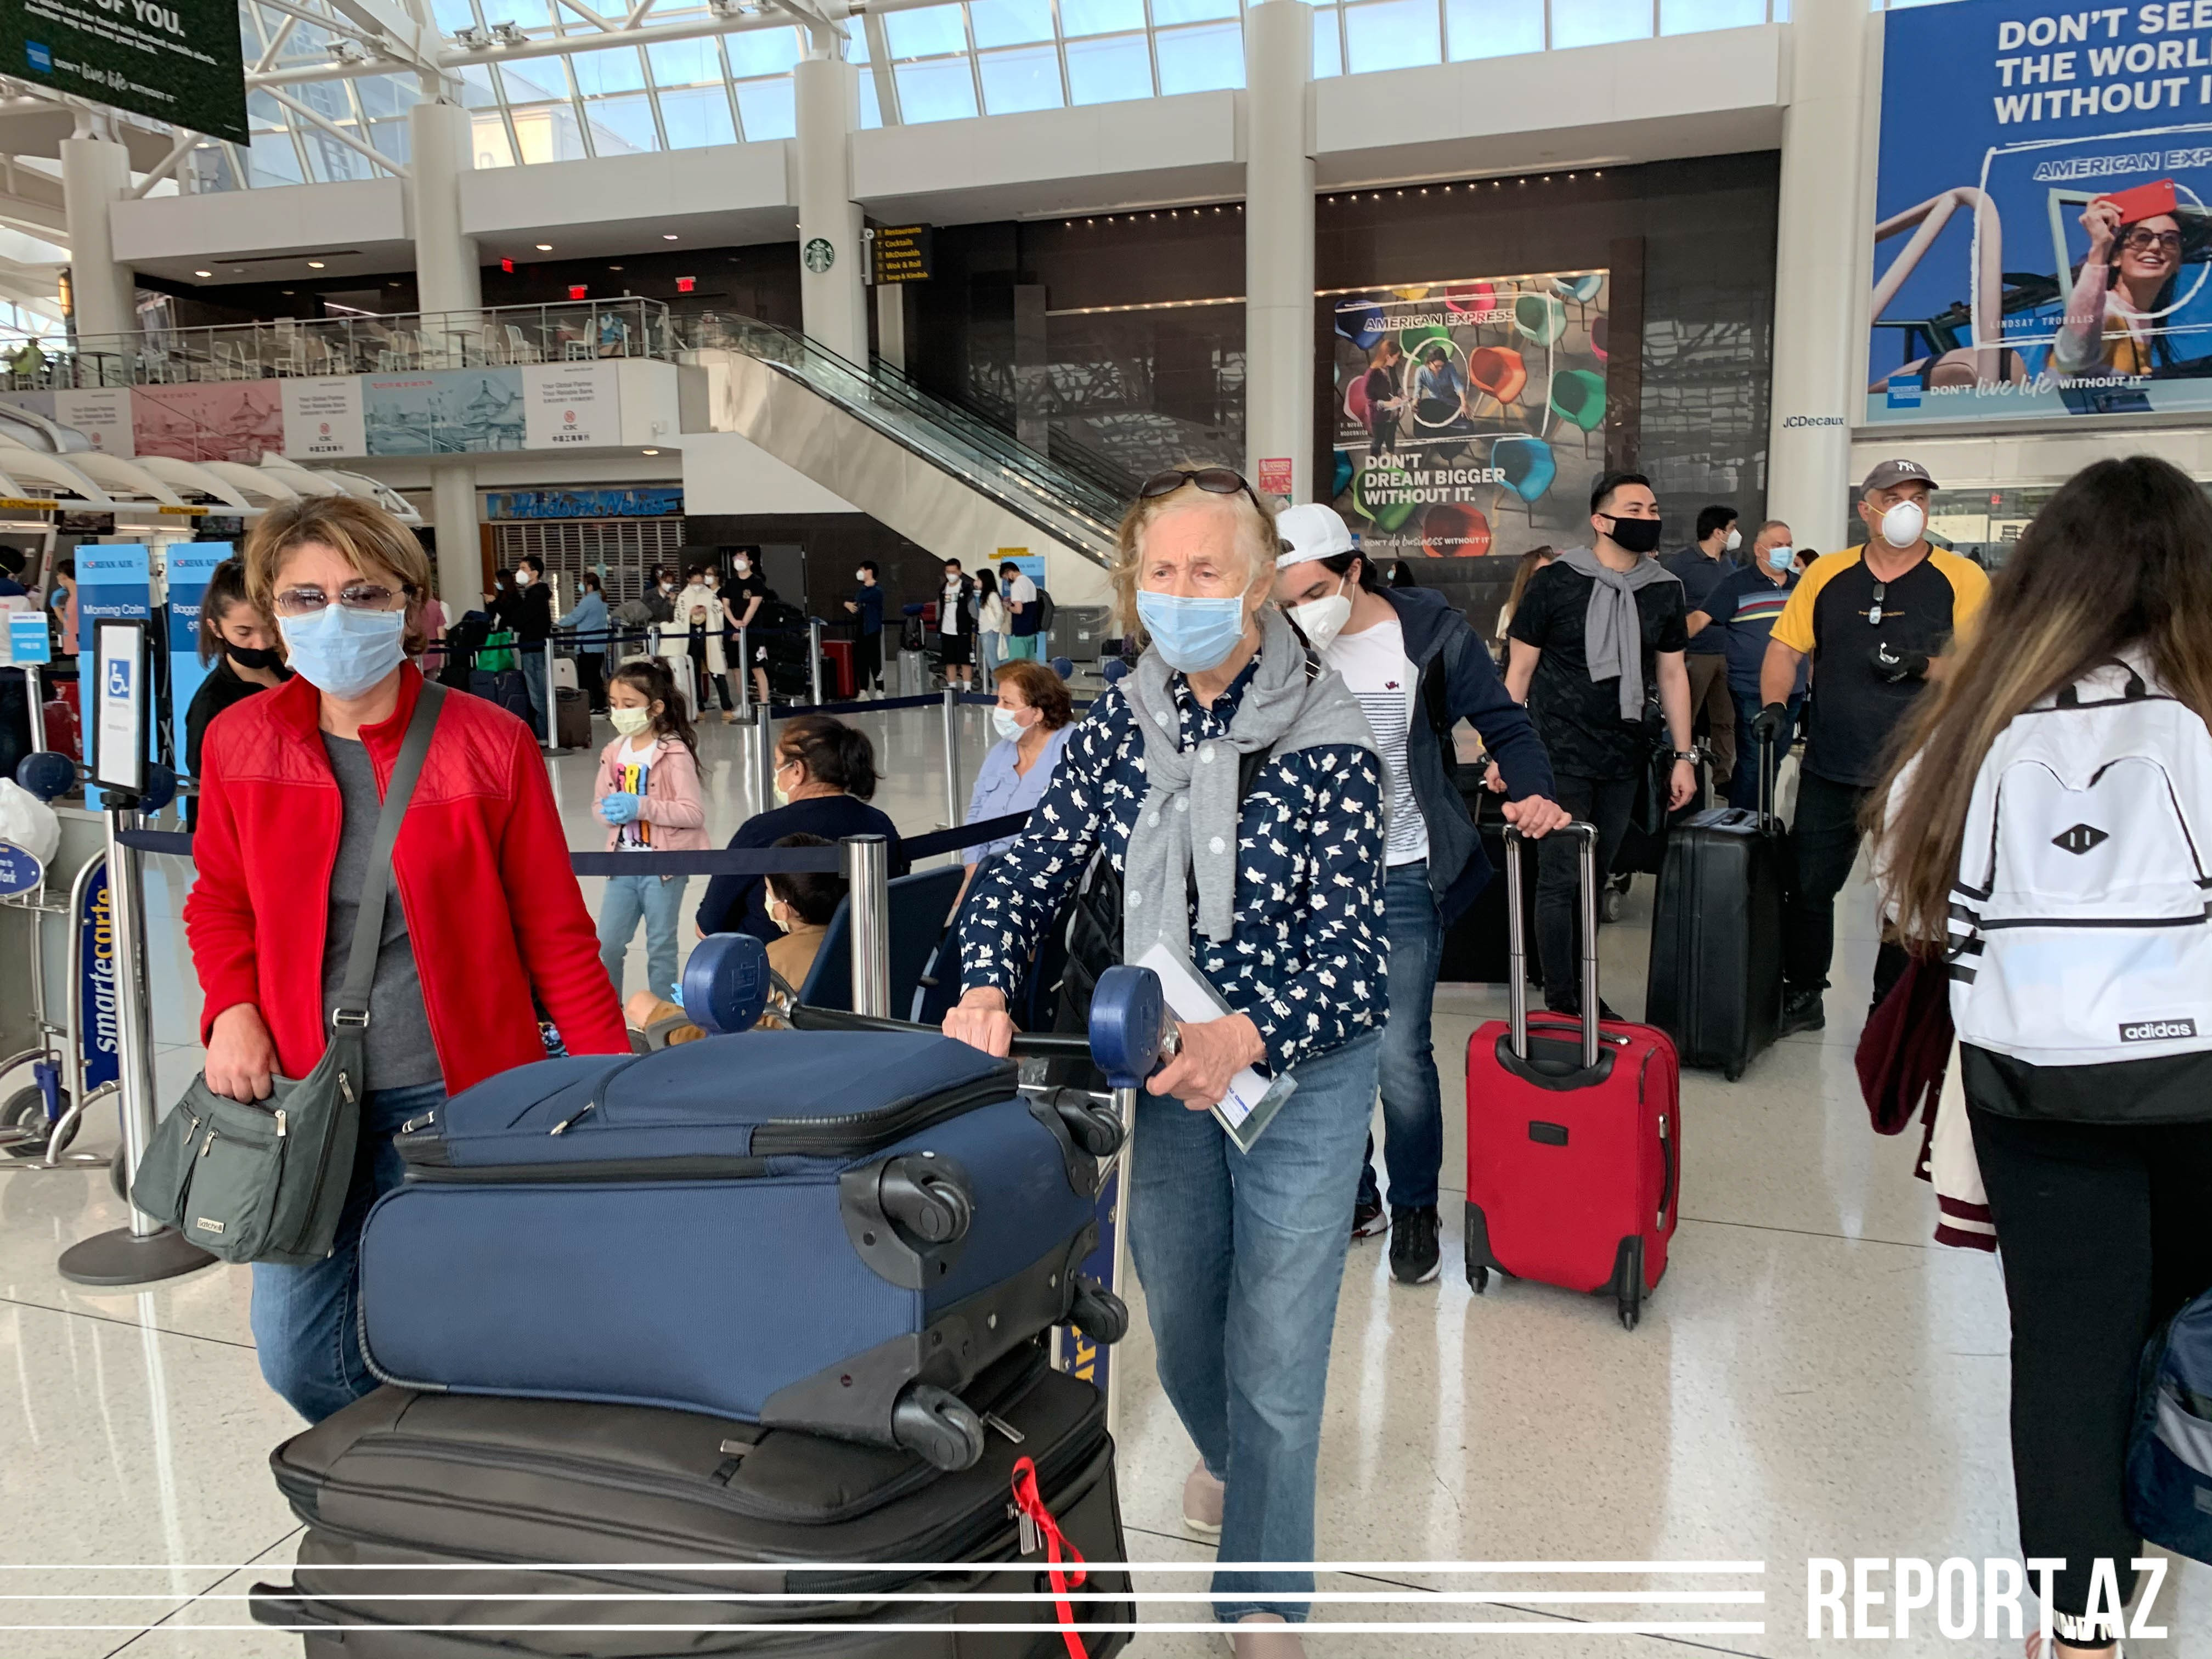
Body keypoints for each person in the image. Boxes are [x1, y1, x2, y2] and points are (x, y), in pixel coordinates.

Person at [944, 466, 1388, 1654]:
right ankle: (1239, 1462)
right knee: (1182, 1314)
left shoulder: (1328, 734)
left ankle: (1263, 1593)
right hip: (1167, 1065)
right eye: (1160, 571)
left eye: (1207, 569)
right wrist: (985, 978)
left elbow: (1357, 964)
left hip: (1300, 1069)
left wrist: (1239, 1034)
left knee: (1279, 1341)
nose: (1180, 590)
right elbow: (1033, 869)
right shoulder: (1118, 726)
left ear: (1258, 583)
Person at [1869, 454, 2212, 1659]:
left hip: (2034, 1082)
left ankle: (2081, 1630)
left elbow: (1906, 901)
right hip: (2203, 1083)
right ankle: (2170, 1509)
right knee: (2186, 1318)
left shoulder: (1980, 720)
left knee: (2068, 1349)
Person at [183, 495, 626, 1424]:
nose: (333, 616)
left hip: (459, 1092)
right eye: (304, 597)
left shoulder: (488, 742)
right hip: (305, 1095)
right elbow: (220, 899)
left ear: (412, 607)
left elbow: (555, 932)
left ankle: (441, 1480)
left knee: (469, 1329)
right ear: (272, 613)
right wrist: (232, 1008)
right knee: (300, 1353)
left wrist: (607, 1088)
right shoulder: (240, 740)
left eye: (362, 593)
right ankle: (395, 1461)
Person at [1272, 504, 1566, 1285]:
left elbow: (1504, 723)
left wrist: (1533, 789)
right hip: (1308, 880)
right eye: (1285, 601)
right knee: (1315, 1045)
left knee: (1398, 1052)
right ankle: (1355, 1194)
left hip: (1403, 868)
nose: (1301, 613)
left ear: (1354, 571)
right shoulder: (1274, 644)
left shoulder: (1429, 635)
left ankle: (1414, 1207)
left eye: (1313, 594)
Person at [1756, 458, 1989, 1035]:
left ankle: (1889, 1009)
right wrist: (1776, 705)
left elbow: (1985, 667)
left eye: (1919, 498)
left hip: (1918, 772)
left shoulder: (1961, 578)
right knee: (1808, 887)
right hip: (1831, 764)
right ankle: (1804, 994)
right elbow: (1785, 649)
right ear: (1866, 510)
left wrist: (1924, 666)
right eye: (1894, 497)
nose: (1909, 509)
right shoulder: (1827, 574)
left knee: (1907, 897)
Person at [1505, 471, 1698, 1017]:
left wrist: (1684, 757)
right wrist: (1503, 751)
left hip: (1624, 755)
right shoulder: (1555, 581)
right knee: (1560, 876)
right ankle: (1563, 999)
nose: (1648, 518)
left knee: (1595, 877)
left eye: (1652, 509)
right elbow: (1519, 670)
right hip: (1555, 752)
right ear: (1600, 520)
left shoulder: (1664, 589)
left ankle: (1580, 987)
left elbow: (1673, 674)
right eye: (1634, 509)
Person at [693, 714, 907, 946]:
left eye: (778, 762)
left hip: (773, 963)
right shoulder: (879, 824)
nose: (776, 770)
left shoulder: (761, 831)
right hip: (865, 955)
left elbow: (708, 927)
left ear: (797, 770)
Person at [625, 833, 847, 1041]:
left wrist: (655, 1013)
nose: (766, 897)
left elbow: (732, 1038)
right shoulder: (852, 942)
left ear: (783, 910)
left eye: (768, 890)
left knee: (640, 1004)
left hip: (765, 1054)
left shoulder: (772, 963)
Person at [594, 658, 707, 1003]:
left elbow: (692, 813)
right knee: (607, 944)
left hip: (664, 868)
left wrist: (641, 807)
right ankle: (608, 1012)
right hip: (622, 864)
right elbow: (598, 804)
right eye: (614, 704)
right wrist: (609, 813)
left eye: (629, 705)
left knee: (661, 946)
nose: (619, 712)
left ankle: (664, 1016)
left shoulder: (672, 752)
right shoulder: (614, 751)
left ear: (656, 708)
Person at [1686, 520, 1805, 811]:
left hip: (1793, 690)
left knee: (1775, 757)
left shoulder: (1801, 587)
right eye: (1777, 545)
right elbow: (1701, 618)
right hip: (1750, 688)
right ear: (1759, 549)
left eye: (1788, 545)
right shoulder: (1736, 585)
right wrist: (1664, 641)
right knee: (1754, 758)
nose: (1785, 551)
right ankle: (1744, 822)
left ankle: (1761, 818)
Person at [2053, 195, 2189, 376]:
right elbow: (2073, 355)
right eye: (2142, 237)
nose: (2156, 246)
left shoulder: (2145, 323)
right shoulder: (2106, 311)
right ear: (2117, 257)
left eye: (2170, 240)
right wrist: (2100, 249)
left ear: (2178, 263)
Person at [184, 557, 290, 787]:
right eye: (244, 633)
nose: (262, 644)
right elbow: (205, 788)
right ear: (216, 628)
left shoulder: (297, 673)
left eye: (270, 628)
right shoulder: (211, 705)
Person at [962, 658, 1074, 867]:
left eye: (1007, 703)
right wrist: (973, 865)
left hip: (1043, 869)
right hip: (989, 868)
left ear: (1037, 713)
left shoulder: (1073, 751)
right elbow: (976, 811)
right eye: (998, 701)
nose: (998, 709)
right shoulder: (1001, 751)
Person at [1663, 505, 1741, 794]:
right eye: (1732, 529)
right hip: (1695, 653)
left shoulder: (1729, 564)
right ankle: (1676, 771)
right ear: (1719, 532)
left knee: (1725, 720)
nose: (1736, 534)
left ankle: (1723, 779)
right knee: (1686, 718)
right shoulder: (1681, 564)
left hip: (1727, 653)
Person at [491, 554, 555, 735]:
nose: (519, 573)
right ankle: (545, 732)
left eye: (524, 569)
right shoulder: (534, 595)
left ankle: (545, 734)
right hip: (533, 647)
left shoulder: (535, 596)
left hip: (533, 648)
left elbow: (518, 619)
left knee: (538, 693)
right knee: (538, 691)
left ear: (535, 573)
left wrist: (499, 605)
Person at [556, 570, 608, 713]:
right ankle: (601, 704)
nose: (580, 585)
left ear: (589, 586)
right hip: (599, 645)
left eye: (582, 583)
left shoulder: (588, 600)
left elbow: (575, 617)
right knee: (596, 676)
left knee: (586, 677)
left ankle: (589, 705)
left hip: (587, 645)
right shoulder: (601, 600)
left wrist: (559, 622)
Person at [724, 550, 769, 706]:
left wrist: (742, 625)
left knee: (757, 667)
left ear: (750, 562)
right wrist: (734, 624)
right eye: (736, 557)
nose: (738, 560)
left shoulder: (756, 582)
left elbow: (753, 606)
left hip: (753, 631)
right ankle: (745, 704)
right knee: (737, 669)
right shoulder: (730, 583)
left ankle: (764, 703)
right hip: (733, 629)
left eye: (742, 557)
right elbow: (726, 605)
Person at [1493, 544, 1555, 642]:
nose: (1546, 578)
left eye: (1551, 572)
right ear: (1526, 578)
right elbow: (1503, 647)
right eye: (1540, 573)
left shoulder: (1568, 608)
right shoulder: (1509, 610)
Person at [844, 560, 885, 693]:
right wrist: (847, 604)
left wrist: (865, 589)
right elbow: (856, 602)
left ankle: (880, 689)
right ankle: (863, 689)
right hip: (861, 630)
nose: (860, 572)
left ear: (870, 571)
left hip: (872, 631)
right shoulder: (862, 589)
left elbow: (861, 598)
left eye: (862, 570)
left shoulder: (877, 591)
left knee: (875, 660)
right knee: (861, 661)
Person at [937, 558, 976, 690]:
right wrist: (939, 625)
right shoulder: (943, 589)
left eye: (953, 572)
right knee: (950, 662)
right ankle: (952, 688)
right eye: (948, 572)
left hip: (963, 630)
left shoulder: (966, 588)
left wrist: (973, 624)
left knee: (965, 661)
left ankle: (967, 688)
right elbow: (939, 609)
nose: (951, 575)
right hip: (947, 630)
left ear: (959, 572)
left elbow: (972, 609)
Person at [999, 559, 1040, 661]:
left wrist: (1008, 607)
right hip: (1031, 630)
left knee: (1017, 666)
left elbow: (1019, 610)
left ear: (1010, 573)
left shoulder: (1016, 585)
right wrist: (1012, 599)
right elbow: (1027, 602)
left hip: (1020, 632)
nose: (1007, 580)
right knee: (1030, 665)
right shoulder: (1029, 581)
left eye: (1006, 578)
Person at [974, 566, 1008, 678]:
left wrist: (994, 628)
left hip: (990, 633)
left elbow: (1000, 614)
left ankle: (997, 687)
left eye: (979, 579)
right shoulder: (984, 596)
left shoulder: (992, 595)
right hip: (985, 632)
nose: (976, 582)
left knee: (995, 666)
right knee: (994, 666)